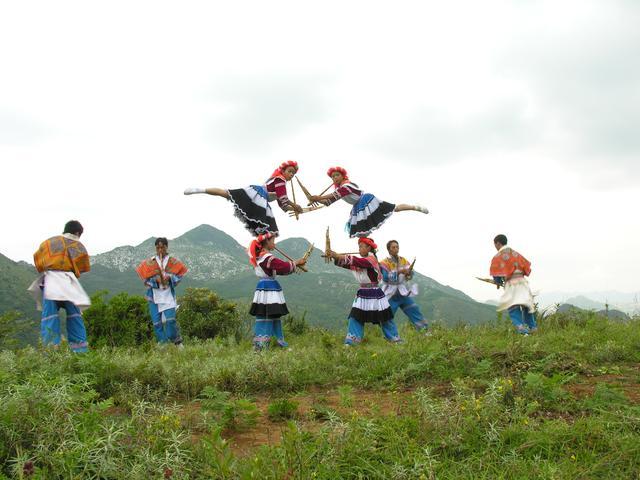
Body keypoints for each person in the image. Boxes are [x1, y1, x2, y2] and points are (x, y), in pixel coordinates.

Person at [184, 160, 304, 236]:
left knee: (227, 194)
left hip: (260, 199)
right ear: (282, 171)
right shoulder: (280, 180)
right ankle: (199, 190)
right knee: (267, 227)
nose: (291, 175)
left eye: (293, 173)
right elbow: (284, 199)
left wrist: (293, 209)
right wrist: (295, 206)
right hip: (258, 196)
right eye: (290, 171)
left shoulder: (279, 182)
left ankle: (200, 190)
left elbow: (282, 204)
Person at [308, 166, 428, 238]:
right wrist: (317, 200)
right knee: (361, 232)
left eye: (337, 175)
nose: (334, 178)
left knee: (393, 208)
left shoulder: (347, 185)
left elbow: (334, 195)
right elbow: (328, 202)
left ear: (343, 176)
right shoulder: (339, 189)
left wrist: (317, 198)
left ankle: (414, 207)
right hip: (357, 206)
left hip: (366, 201)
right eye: (333, 177)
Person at [27, 220, 92, 352]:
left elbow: (38, 260)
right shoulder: (78, 245)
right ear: (77, 232)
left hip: (49, 281)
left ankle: (51, 352)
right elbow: (83, 267)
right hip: (67, 282)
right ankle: (80, 351)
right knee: (74, 316)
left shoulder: (48, 243)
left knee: (50, 316)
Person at [325, 237, 402, 345]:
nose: (359, 249)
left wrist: (337, 255)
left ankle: (395, 340)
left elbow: (357, 261)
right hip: (363, 292)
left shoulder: (371, 259)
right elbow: (348, 263)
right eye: (359, 246)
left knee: (384, 317)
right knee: (356, 317)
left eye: (361, 246)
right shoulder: (361, 261)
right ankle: (352, 342)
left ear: (369, 248)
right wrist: (334, 257)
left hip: (375, 292)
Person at [248, 232, 307, 350]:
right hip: (268, 288)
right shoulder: (266, 257)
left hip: (267, 287)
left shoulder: (263, 256)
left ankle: (276, 342)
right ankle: (261, 345)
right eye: (273, 241)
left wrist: (293, 265)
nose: (274, 243)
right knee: (267, 314)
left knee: (272, 314)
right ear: (267, 241)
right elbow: (282, 266)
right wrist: (296, 263)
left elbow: (280, 269)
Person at [135, 237, 188, 346]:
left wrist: (169, 278)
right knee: (157, 323)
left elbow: (179, 276)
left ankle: (176, 341)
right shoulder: (150, 262)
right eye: (158, 247)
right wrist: (155, 280)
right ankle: (163, 345)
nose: (160, 250)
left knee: (170, 320)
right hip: (154, 296)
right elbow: (145, 279)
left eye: (162, 247)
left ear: (166, 247)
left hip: (168, 295)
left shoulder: (173, 261)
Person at [490, 234, 537, 335]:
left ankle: (523, 332)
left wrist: (497, 282)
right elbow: (526, 268)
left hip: (511, 284)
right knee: (527, 306)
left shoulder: (498, 256)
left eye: (495, 245)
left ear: (498, 243)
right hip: (523, 283)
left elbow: (496, 273)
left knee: (513, 308)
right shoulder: (516, 254)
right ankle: (533, 328)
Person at [380, 240, 429, 332]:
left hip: (402, 291)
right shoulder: (384, 263)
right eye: (393, 247)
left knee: (414, 309)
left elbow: (410, 275)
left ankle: (424, 331)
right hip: (390, 293)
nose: (396, 249)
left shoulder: (404, 260)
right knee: (387, 315)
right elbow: (386, 278)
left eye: (397, 247)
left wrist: (408, 273)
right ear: (389, 250)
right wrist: (399, 272)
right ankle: (392, 337)